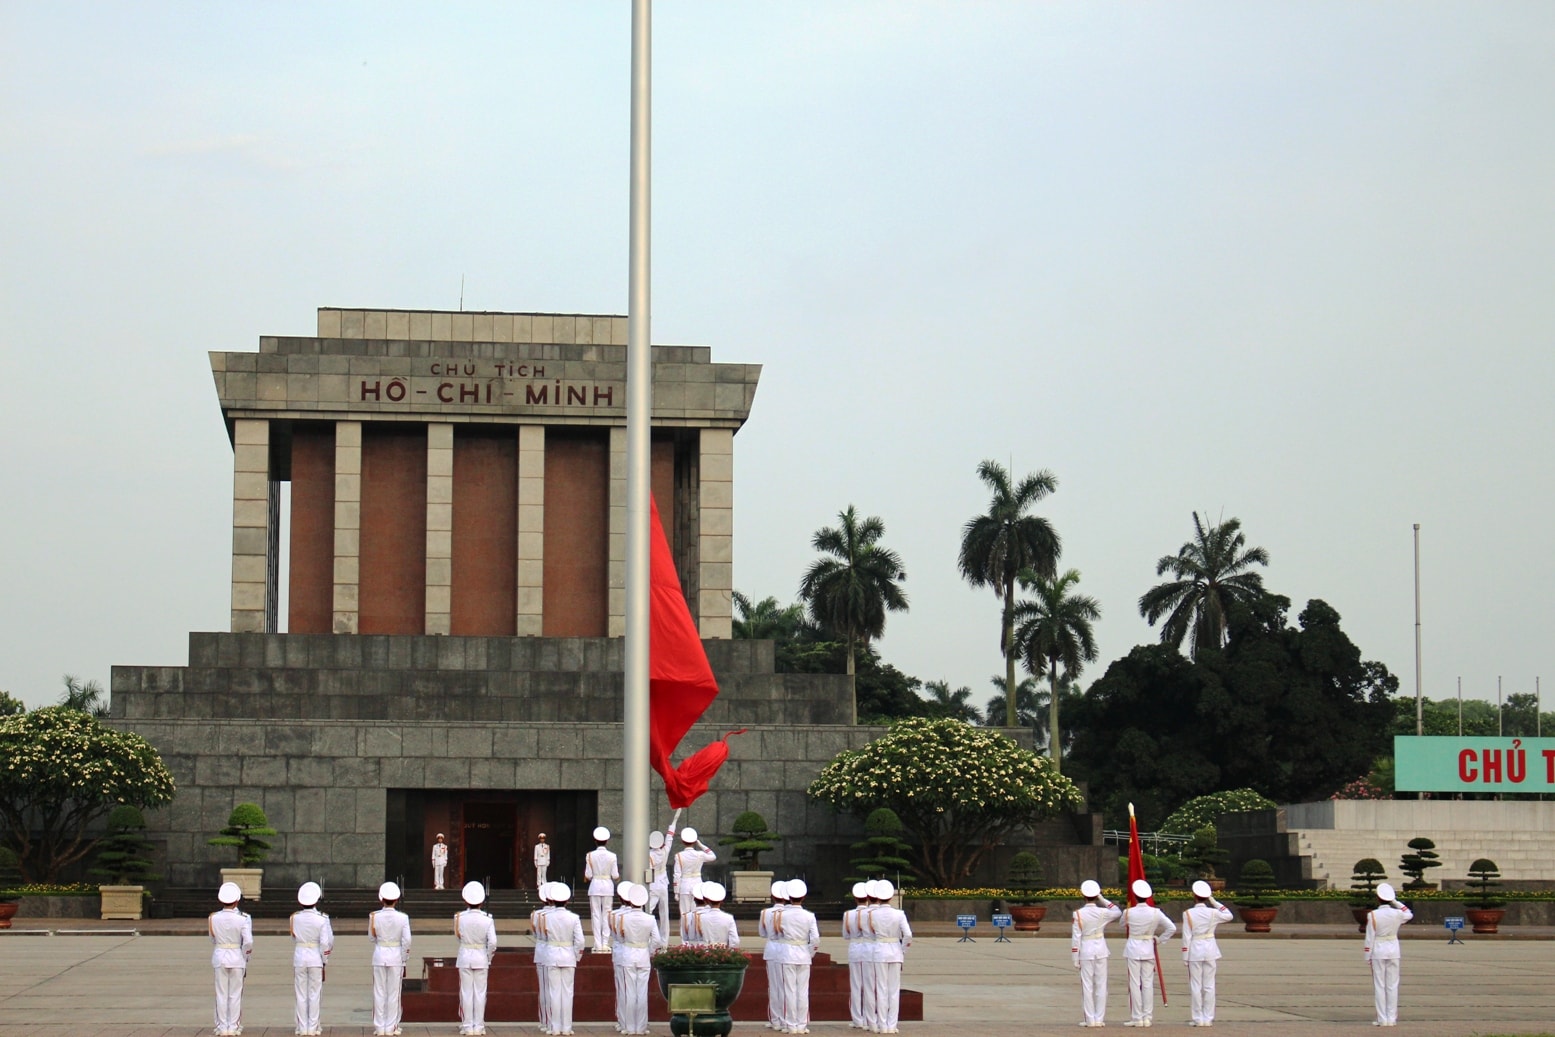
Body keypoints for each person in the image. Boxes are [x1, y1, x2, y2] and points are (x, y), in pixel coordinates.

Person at [532, 883, 585, 1037]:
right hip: (568, 955)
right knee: (567, 993)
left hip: (551, 955)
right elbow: (580, 941)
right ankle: (566, 1027)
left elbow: (540, 936)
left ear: (552, 900)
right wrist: (575, 955)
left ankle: (554, 1027)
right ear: (567, 901)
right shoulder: (574, 918)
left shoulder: (545, 917)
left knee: (554, 992)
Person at [1121, 879, 1175, 1028]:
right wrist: (1159, 940)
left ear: (1135, 896)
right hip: (1148, 948)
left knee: (1134, 983)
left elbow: (1121, 924)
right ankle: (1147, 1017)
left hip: (1133, 947)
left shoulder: (1128, 912)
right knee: (1147, 983)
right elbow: (1171, 928)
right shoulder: (1156, 913)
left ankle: (1136, 1017)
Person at [612, 884, 664, 1036]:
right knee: (642, 992)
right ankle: (640, 1027)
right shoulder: (650, 918)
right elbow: (657, 940)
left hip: (627, 954)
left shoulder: (622, 918)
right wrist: (648, 951)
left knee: (629, 992)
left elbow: (619, 938)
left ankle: (628, 1026)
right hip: (643, 955)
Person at [1181, 879, 1234, 1027]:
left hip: (1195, 950)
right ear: (1206, 897)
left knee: (1196, 985)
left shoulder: (1188, 914)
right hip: (1210, 949)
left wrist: (1185, 955)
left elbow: (1187, 937)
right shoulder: (1213, 913)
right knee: (1209, 985)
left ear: (1194, 896)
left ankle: (1198, 1018)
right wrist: (1214, 901)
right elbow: (1229, 915)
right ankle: (1208, 1018)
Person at [771, 878, 821, 1035]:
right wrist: (809, 953)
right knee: (802, 991)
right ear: (803, 897)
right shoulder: (809, 916)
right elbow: (815, 939)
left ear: (788, 897)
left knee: (789, 990)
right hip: (803, 955)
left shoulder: (780, 915)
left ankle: (791, 1024)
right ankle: (801, 1024)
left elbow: (775, 935)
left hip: (787, 954)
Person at [1071, 878, 1122, 1028]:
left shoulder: (1078, 914)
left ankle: (1090, 1019)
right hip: (1101, 949)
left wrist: (1075, 956)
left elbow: (1076, 937)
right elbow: (1117, 911)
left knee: (1087, 986)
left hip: (1086, 949)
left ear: (1083, 895)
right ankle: (1099, 1018)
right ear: (1096, 895)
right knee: (1101, 985)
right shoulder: (1103, 912)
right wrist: (1102, 898)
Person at [864, 879, 911, 1034]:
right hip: (895, 951)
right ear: (891, 897)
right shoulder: (899, 914)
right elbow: (908, 935)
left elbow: (871, 935)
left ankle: (882, 1024)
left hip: (879, 951)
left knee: (881, 988)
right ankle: (892, 1025)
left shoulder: (871, 914)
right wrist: (902, 950)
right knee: (893, 990)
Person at [1364, 882, 1414, 1027]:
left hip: (1378, 950)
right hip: (1393, 949)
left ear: (1378, 898)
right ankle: (1392, 1018)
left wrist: (1367, 956)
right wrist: (1395, 902)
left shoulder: (1373, 915)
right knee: (1392, 985)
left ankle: (1382, 1019)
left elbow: (1369, 937)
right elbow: (1409, 914)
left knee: (1380, 985)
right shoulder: (1398, 913)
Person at [209, 881, 253, 1037]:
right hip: (237, 956)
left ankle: (222, 1027)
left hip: (220, 955)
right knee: (235, 993)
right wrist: (245, 957)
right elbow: (248, 942)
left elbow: (213, 939)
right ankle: (233, 1027)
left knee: (221, 993)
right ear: (237, 900)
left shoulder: (213, 918)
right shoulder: (244, 918)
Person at [455, 880, 498, 1037]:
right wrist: (488, 956)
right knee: (480, 993)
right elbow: (493, 942)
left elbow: (458, 937)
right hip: (481, 957)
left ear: (466, 900)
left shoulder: (459, 917)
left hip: (465, 956)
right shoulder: (488, 919)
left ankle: (467, 1026)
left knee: (466, 992)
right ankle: (478, 1026)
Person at [369, 880, 412, 1037]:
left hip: (380, 955)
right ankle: (391, 1026)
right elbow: (407, 940)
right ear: (396, 900)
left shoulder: (374, 916)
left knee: (379, 992)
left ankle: (380, 1027)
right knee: (394, 993)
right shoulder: (403, 918)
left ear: (381, 899)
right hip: (395, 956)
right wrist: (404, 958)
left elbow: (371, 938)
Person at [290, 881, 334, 1037]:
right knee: (315, 993)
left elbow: (294, 937)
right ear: (316, 900)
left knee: (301, 993)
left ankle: (302, 1028)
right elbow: (326, 942)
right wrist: (324, 961)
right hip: (315, 957)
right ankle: (313, 1027)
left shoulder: (294, 918)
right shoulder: (322, 919)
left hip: (300, 956)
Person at [759, 880, 791, 1030]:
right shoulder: (789, 912)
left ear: (772, 896)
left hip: (772, 948)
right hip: (786, 948)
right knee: (787, 986)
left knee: (774, 986)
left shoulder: (766, 912)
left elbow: (762, 933)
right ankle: (787, 1019)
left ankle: (776, 1020)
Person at [842, 881, 873, 1030]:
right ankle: (869, 1018)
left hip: (854, 948)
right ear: (867, 897)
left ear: (855, 898)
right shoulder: (872, 913)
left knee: (855, 985)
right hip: (869, 949)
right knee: (870, 984)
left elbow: (845, 935)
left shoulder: (848, 915)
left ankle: (857, 1019)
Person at [584, 826, 619, 953]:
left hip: (595, 886)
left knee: (596, 915)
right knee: (607, 915)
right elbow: (615, 875)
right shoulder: (612, 856)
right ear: (607, 841)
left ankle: (597, 944)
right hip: (608, 886)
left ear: (595, 840)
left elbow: (588, 875)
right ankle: (605, 943)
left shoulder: (590, 856)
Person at [673, 826, 717, 925]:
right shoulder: (700, 854)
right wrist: (701, 845)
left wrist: (676, 892)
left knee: (684, 913)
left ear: (682, 841)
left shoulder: (679, 856)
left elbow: (677, 874)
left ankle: (685, 939)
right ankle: (695, 937)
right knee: (696, 913)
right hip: (697, 885)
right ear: (694, 841)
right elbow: (713, 856)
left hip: (684, 885)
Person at [697, 882, 740, 947]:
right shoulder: (729, 918)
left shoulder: (700, 917)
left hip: (705, 952)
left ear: (708, 901)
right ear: (722, 901)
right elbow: (735, 940)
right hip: (722, 952)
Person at [647, 828, 672, 937]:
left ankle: (647, 936)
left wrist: (647, 885)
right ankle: (664, 942)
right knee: (664, 914)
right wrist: (672, 826)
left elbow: (649, 872)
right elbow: (669, 839)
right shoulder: (665, 851)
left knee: (648, 911)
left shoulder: (649, 855)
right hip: (663, 884)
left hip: (653, 884)